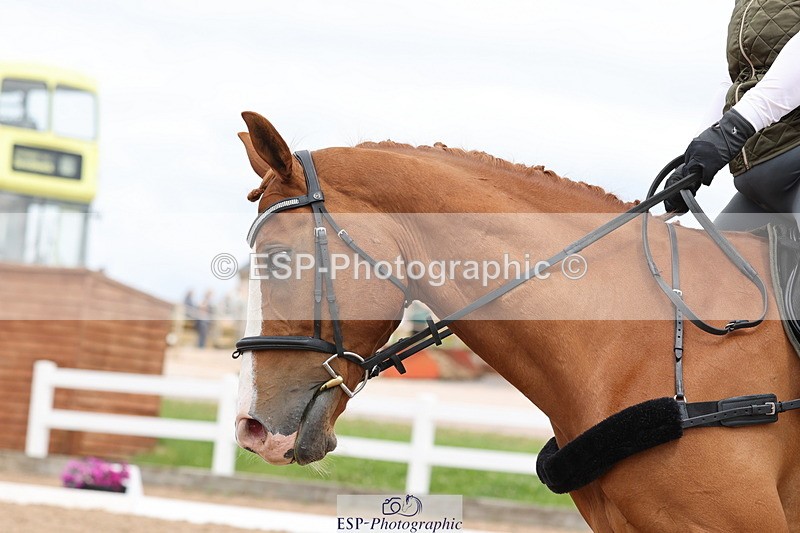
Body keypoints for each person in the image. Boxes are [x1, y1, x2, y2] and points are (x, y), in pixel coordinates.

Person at [664, 2, 800, 232]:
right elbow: (739, 80)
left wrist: (731, 131)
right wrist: (694, 158)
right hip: (756, 188)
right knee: (702, 264)